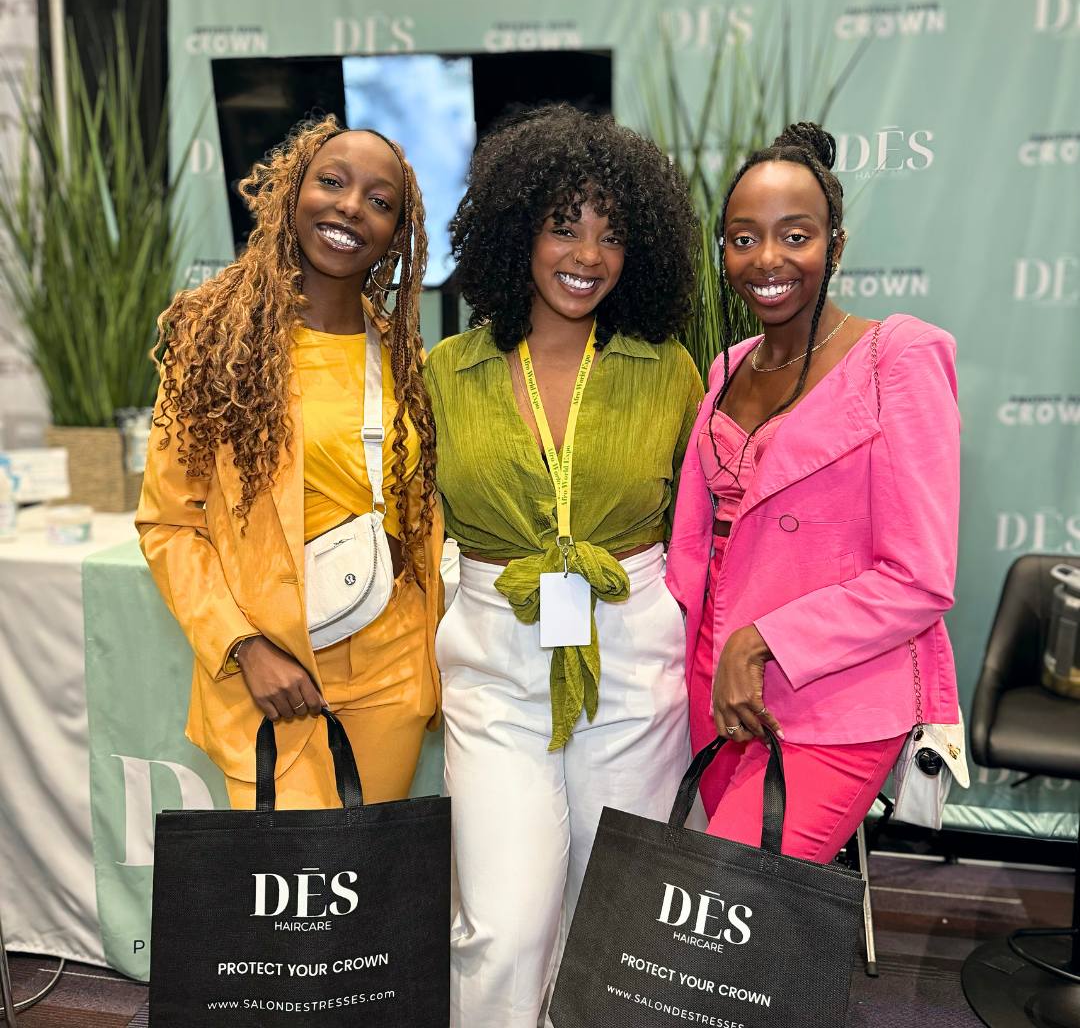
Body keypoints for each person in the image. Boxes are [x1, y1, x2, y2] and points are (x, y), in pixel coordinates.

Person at [425, 104, 703, 1027]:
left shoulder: (667, 371)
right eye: (563, 226)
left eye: (612, 235)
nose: (587, 254)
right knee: (502, 925)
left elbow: (703, 524)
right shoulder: (444, 372)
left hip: (629, 656)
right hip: (496, 661)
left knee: (609, 919)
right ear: (516, 232)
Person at [666, 122, 961, 863]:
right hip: (713, 686)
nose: (767, 259)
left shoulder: (898, 358)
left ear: (837, 245)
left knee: (731, 902)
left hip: (829, 694)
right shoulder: (726, 368)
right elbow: (697, 547)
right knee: (730, 940)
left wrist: (762, 643)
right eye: (742, 238)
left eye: (794, 235)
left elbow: (919, 577)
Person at [136, 115, 441, 809]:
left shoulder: (403, 357)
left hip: (390, 676)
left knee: (368, 894)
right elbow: (168, 524)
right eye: (331, 182)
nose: (349, 207)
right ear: (290, 194)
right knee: (287, 909)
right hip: (274, 678)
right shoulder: (214, 339)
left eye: (379, 200)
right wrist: (244, 647)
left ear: (397, 234)